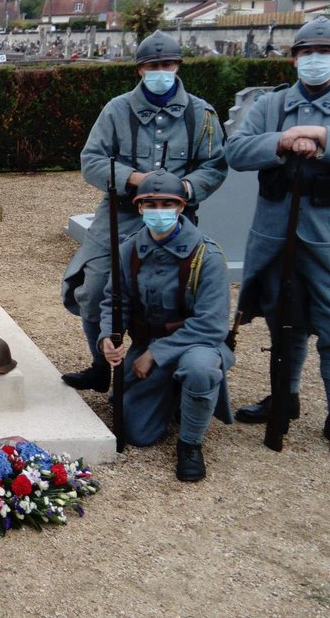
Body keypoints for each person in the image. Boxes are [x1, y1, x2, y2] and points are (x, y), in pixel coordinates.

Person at [225, 17, 330, 463]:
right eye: (305, 53)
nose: (313, 60)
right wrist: (281, 141)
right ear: (295, 58)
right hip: (277, 230)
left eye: (323, 53)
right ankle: (286, 396)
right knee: (284, 316)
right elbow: (236, 150)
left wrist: (322, 137)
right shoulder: (271, 104)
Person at [62, 30, 228, 394]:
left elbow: (215, 165)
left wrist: (183, 189)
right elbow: (91, 161)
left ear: (178, 66)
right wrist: (136, 178)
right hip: (119, 213)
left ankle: (166, 361)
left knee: (172, 296)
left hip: (174, 217)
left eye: (166, 64)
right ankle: (100, 363)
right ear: (140, 70)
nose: (160, 71)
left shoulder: (201, 114)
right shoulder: (117, 110)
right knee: (91, 291)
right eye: (152, 66)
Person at [99, 172, 233, 481]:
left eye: (167, 204)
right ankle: (174, 394)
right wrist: (109, 336)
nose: (159, 210)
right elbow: (115, 301)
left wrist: (156, 354)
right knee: (136, 431)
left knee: (199, 369)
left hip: (197, 344)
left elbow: (212, 325)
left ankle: (190, 445)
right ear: (139, 208)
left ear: (181, 207)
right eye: (150, 204)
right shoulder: (129, 251)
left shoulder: (207, 256)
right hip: (149, 343)